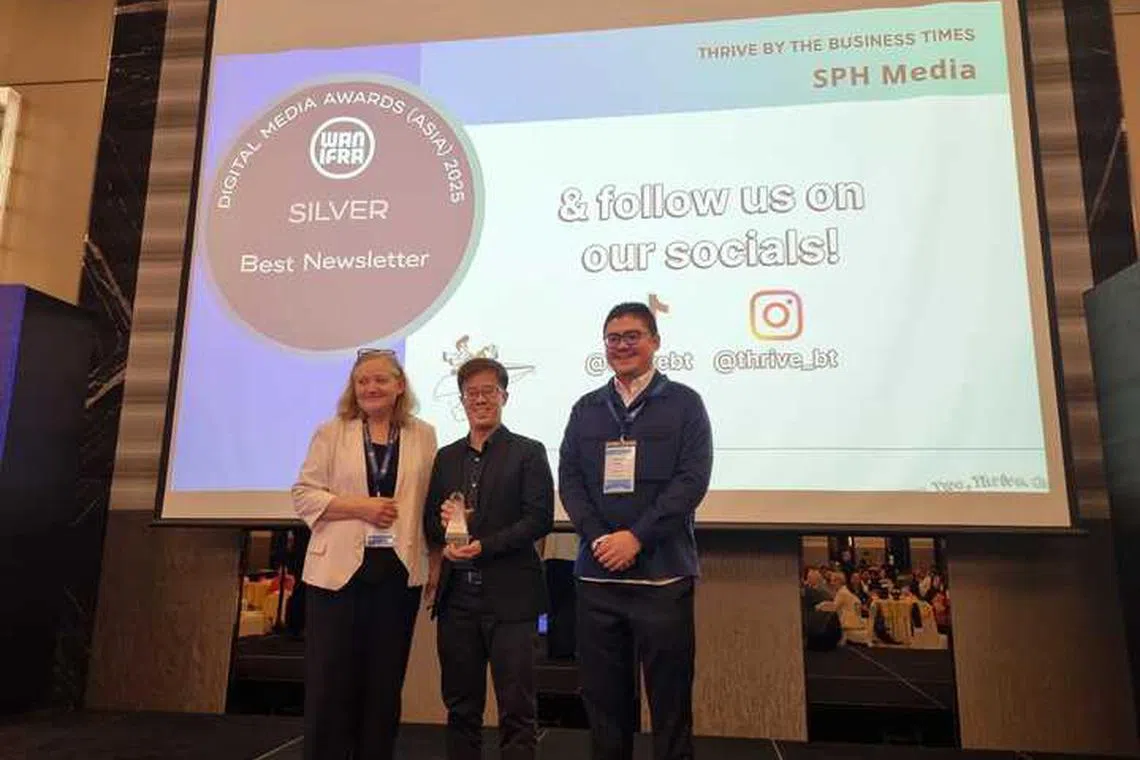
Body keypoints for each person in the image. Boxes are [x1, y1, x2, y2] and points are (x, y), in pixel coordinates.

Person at [559, 302, 713, 760]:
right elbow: (570, 480)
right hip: (597, 579)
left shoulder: (685, 403)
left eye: (632, 336)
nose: (622, 345)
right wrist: (600, 538)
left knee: (670, 709)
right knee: (605, 709)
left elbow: (691, 480)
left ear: (655, 342)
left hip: (662, 579)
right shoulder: (586, 408)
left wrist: (637, 538)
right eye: (613, 338)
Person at [292, 348, 439, 760]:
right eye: (363, 381)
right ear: (353, 389)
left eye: (381, 380)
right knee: (330, 684)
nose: (371, 388)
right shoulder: (331, 431)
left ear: (399, 386)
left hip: (397, 575)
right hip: (336, 577)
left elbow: (427, 504)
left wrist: (438, 558)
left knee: (384, 686)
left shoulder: (423, 434)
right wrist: (360, 506)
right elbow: (303, 496)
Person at [423, 357, 554, 760]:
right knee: (461, 708)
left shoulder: (528, 453)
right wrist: (443, 537)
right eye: (471, 393)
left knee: (517, 710)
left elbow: (539, 519)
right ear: (462, 400)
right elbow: (430, 521)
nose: (480, 400)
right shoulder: (445, 458)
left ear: (504, 396)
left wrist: (484, 545)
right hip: (457, 600)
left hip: (512, 600)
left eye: (488, 392)